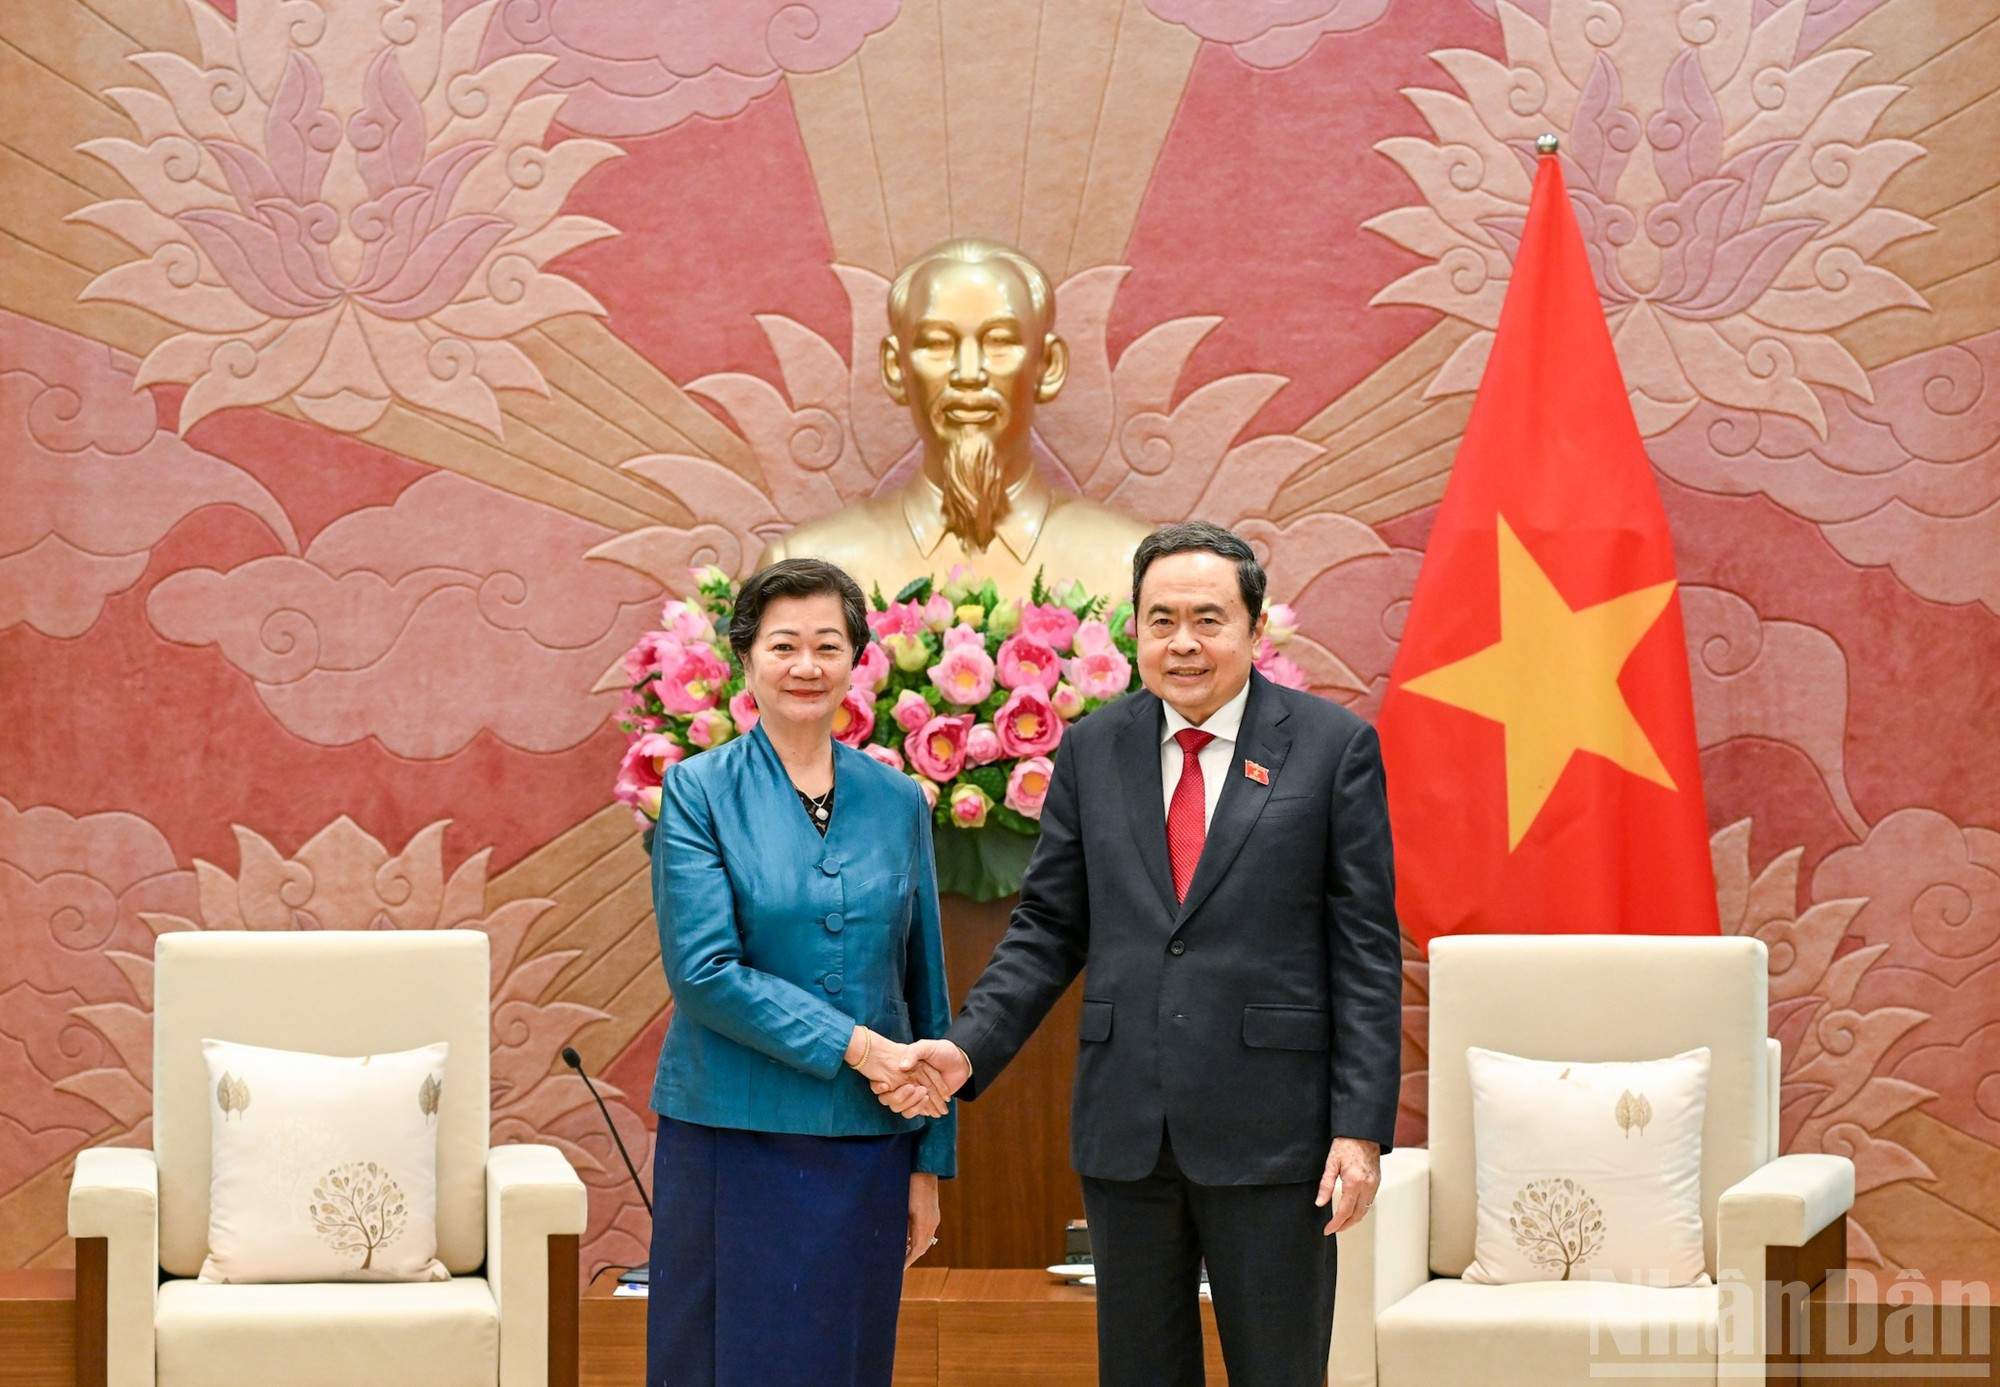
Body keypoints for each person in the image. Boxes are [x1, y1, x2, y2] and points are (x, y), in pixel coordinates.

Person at [878, 522, 1403, 1387]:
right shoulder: (1094, 747)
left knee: (1279, 1368)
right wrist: (966, 1047)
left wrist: (1358, 1127)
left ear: (1254, 628)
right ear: (1135, 629)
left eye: (1208, 618)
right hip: (1130, 1126)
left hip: (1276, 1130)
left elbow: (1366, 950)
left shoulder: (1330, 747)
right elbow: (1049, 926)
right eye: (1161, 620)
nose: (1183, 643)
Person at [647, 557, 956, 1387]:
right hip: (729, 1136)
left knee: (844, 1363)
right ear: (746, 658)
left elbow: (924, 980)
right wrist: (860, 1047)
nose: (807, 665)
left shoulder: (898, 801)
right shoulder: (698, 791)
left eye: (829, 644)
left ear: (858, 659)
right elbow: (705, 972)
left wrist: (929, 1157)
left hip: (868, 1144)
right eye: (785, 644)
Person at [758, 237, 1149, 602]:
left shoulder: (1131, 566)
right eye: (937, 343)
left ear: (1048, 366)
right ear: (895, 368)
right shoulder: (804, 572)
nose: (968, 372)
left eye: (999, 342)